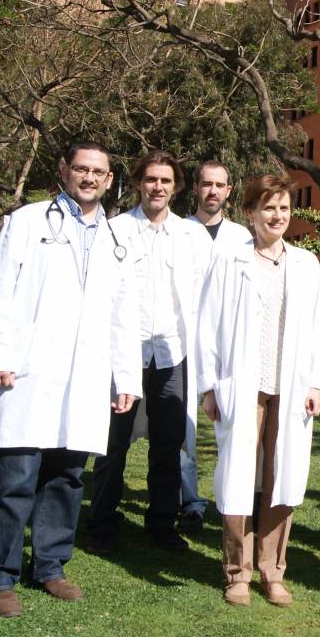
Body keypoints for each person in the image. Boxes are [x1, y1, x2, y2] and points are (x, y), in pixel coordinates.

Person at [0, 140, 141, 617]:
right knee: (16, 478)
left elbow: (123, 315)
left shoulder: (116, 239)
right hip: (28, 372)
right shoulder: (27, 222)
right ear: (64, 171)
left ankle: (50, 566)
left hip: (84, 377)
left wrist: (126, 377)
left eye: (98, 172)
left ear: (109, 180)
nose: (89, 178)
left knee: (67, 477)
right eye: (81, 169)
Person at [197, 175, 320, 608]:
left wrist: (316, 383)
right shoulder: (230, 260)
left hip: (291, 386)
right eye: (268, 208)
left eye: (284, 208)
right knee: (238, 475)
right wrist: (209, 387)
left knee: (281, 476)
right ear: (250, 212)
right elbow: (207, 325)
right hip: (244, 384)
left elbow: (317, 327)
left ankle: (273, 571)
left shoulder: (305, 263)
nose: (277, 216)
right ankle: (238, 572)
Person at [87, 150, 211, 554]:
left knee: (168, 444)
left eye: (166, 181)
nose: (158, 187)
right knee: (112, 443)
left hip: (172, 354)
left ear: (176, 188)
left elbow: (204, 296)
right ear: (139, 182)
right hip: (124, 355)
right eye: (151, 179)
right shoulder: (115, 230)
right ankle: (101, 522)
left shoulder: (191, 236)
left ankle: (161, 523)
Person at [180, 160, 252, 535]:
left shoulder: (242, 237)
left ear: (228, 191)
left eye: (219, 185)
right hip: (182, 342)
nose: (212, 191)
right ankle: (190, 501)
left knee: (230, 425)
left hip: (227, 345)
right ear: (195, 188)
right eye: (206, 184)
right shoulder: (179, 231)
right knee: (184, 428)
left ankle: (230, 502)